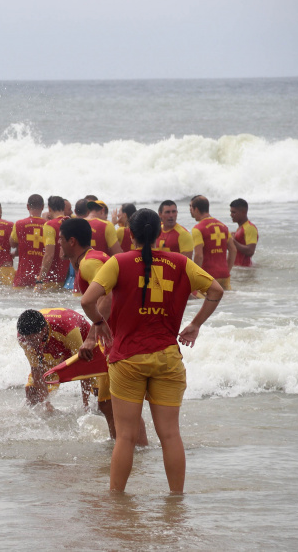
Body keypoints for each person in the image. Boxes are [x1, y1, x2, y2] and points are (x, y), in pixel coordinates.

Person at [79, 208, 224, 493]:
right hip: (167, 358)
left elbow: (87, 300)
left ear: (130, 233)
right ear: (160, 235)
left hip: (128, 359)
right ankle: (176, 500)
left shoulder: (119, 262)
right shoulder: (181, 263)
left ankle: (117, 500)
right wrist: (195, 324)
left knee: (125, 437)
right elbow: (216, 290)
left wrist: (99, 323)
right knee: (170, 435)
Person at [58, 218, 148, 443]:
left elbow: (110, 293)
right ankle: (131, 450)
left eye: (60, 239)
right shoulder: (91, 259)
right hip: (122, 333)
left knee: (114, 403)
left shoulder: (89, 264)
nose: (57, 243)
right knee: (111, 403)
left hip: (120, 337)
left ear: (71, 241)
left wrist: (91, 336)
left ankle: (127, 451)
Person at [16, 308, 95, 409]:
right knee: (32, 392)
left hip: (82, 341)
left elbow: (84, 367)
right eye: (27, 340)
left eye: (31, 340)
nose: (29, 343)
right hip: (53, 346)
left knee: (99, 393)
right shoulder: (24, 337)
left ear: (44, 330)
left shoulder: (68, 330)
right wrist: (46, 403)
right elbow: (36, 370)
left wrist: (86, 404)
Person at [190, 195, 236, 290]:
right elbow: (233, 250)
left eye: (191, 207)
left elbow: (199, 256)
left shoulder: (198, 229)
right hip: (224, 275)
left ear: (196, 209)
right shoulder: (223, 226)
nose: (190, 210)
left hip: (208, 276)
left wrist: (194, 276)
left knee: (203, 303)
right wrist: (227, 269)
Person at [10, 194, 48, 288]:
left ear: (27, 206)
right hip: (42, 278)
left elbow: (12, 243)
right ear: (43, 207)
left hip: (22, 277)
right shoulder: (48, 225)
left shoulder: (19, 224)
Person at [36, 195, 70, 288]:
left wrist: (40, 280)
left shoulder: (50, 225)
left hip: (51, 280)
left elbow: (49, 255)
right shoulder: (71, 222)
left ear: (49, 208)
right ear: (64, 207)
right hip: (68, 280)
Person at [230, 198, 258, 267]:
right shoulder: (240, 228)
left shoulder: (250, 228)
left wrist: (233, 241)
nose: (231, 215)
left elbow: (250, 251)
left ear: (243, 212)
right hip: (239, 270)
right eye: (231, 212)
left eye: (234, 212)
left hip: (245, 270)